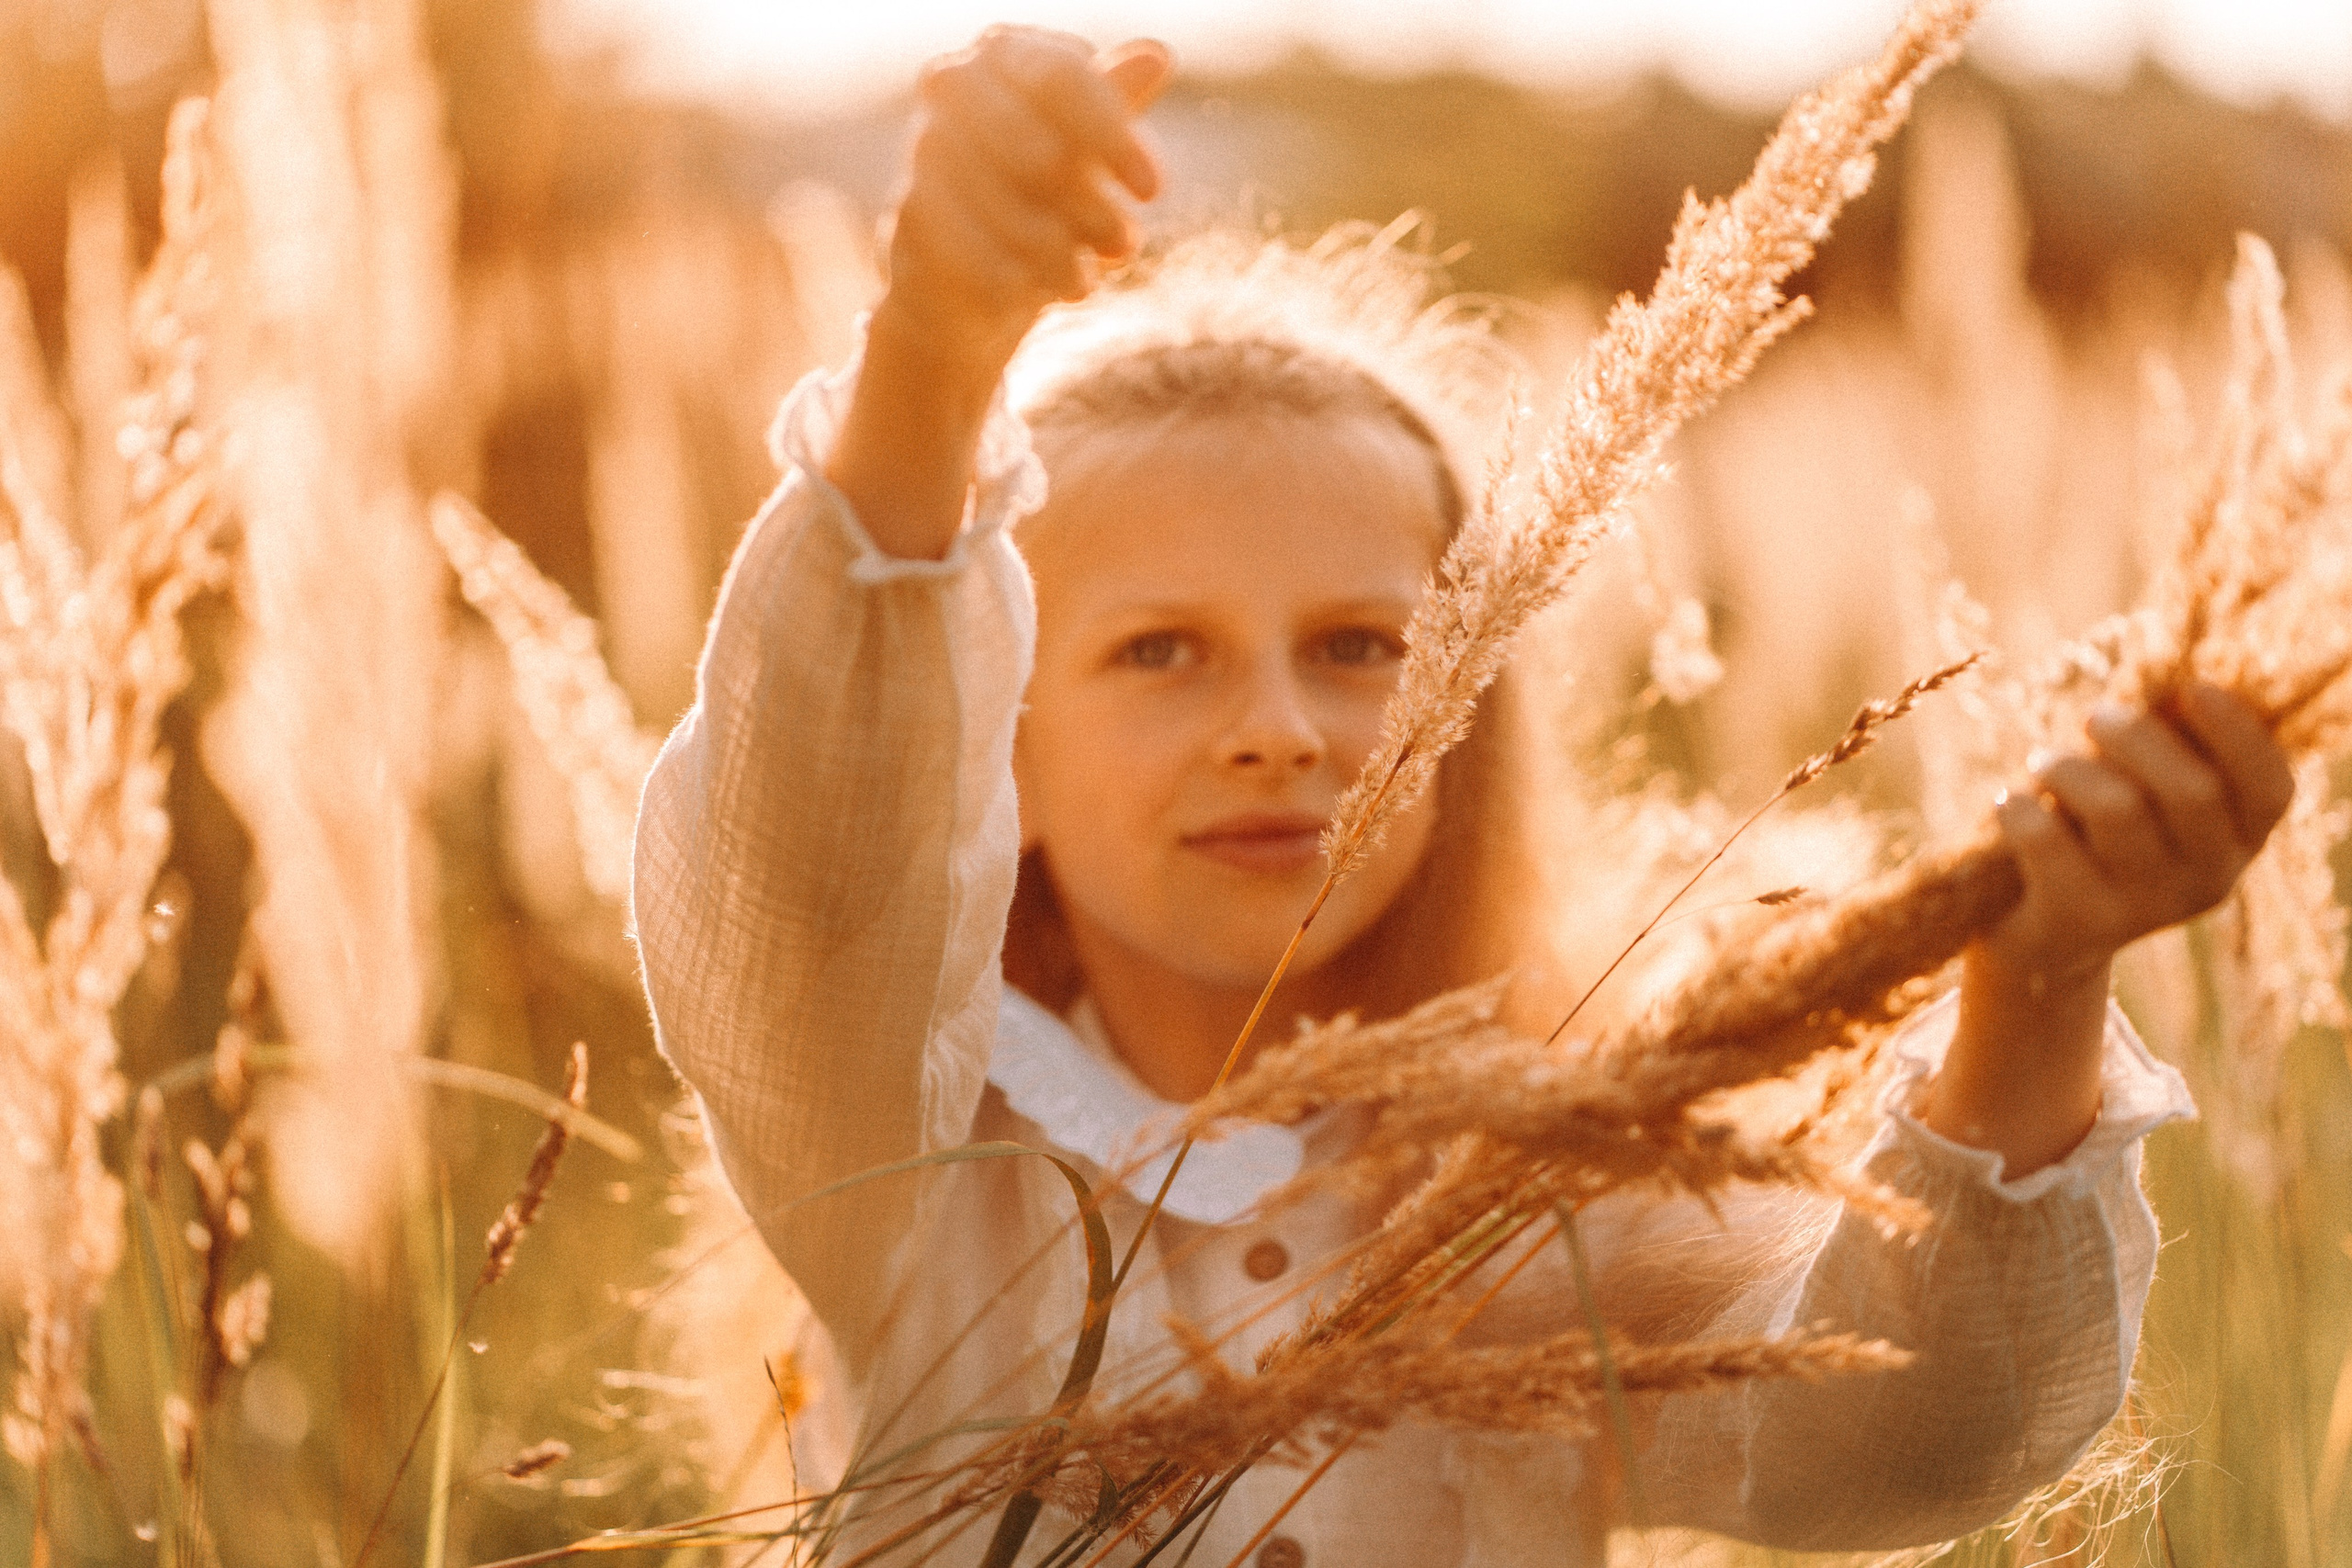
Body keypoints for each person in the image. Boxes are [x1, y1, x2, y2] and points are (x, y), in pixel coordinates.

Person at [631, 27, 2295, 1565]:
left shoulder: (1552, 1187)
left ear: (1466, 714)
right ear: (988, 751)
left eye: (1361, 645)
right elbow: (800, 873)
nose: (1278, 726)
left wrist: (2039, 983)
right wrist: (930, 361)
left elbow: (1902, 1431)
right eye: (1160, 654)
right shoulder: (911, 1155)